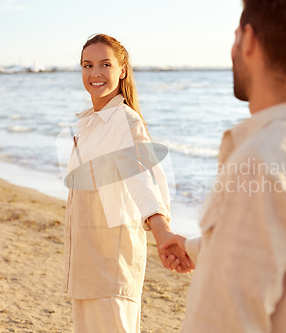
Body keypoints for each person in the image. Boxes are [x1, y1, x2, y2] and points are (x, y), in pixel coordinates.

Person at [160, 1, 286, 332]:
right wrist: (193, 248)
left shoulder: (260, 159)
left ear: (248, 39)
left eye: (235, 36)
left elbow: (227, 318)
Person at [62, 34, 192, 333]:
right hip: (85, 264)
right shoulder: (89, 124)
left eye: (104, 64)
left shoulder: (124, 121)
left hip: (110, 266)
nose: (94, 73)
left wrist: (161, 231)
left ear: (122, 70)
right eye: (87, 65)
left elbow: (142, 179)